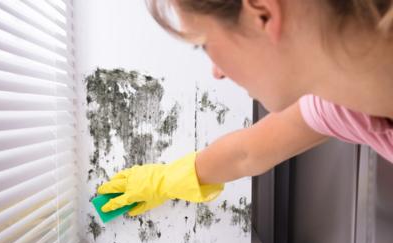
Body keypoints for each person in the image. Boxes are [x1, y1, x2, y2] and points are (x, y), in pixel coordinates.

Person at [97, 0, 393, 216]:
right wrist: (161, 181)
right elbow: (245, 154)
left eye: (204, 44)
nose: (217, 72)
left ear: (262, 14)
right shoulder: (342, 106)